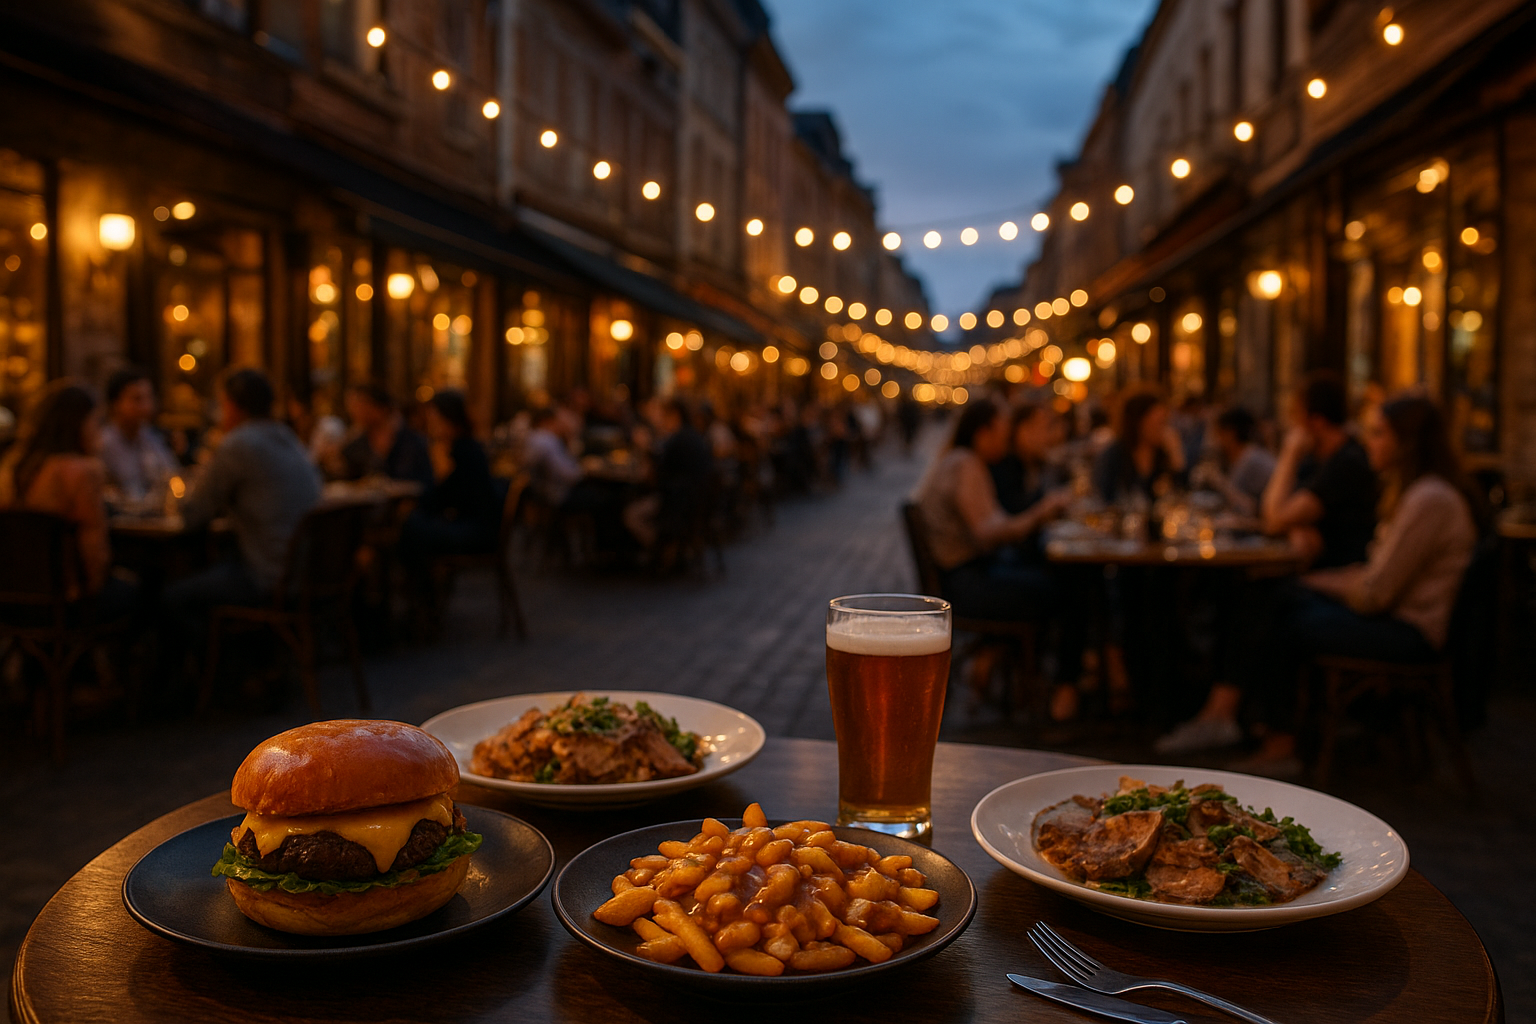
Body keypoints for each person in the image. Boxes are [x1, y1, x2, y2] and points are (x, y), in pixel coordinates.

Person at [1162, 396, 1479, 772]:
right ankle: (1234, 717)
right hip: (1395, 618)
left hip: (1410, 632)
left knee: (1278, 614)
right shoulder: (1417, 493)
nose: (1369, 442)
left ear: (1406, 442)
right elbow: (1373, 577)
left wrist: (1313, 582)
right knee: (1266, 596)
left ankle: (1271, 740)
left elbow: (1375, 593)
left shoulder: (1429, 499)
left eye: (1378, 434)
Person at [912, 398, 1078, 704]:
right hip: (964, 583)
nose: (1006, 439)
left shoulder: (963, 461)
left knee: (1051, 578)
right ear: (982, 433)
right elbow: (987, 533)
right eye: (1002, 433)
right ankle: (1056, 687)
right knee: (1065, 591)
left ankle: (1003, 660)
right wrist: (1040, 513)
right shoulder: (965, 464)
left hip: (966, 575)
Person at [0, 381, 117, 600]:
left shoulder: (10, 468)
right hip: (67, 600)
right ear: (79, 423)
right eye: (96, 421)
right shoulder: (82, 472)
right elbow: (95, 551)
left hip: (11, 599)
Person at [1262, 371, 1376, 568]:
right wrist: (1295, 530)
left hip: (1337, 578)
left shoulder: (1347, 463)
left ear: (1317, 421)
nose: (1292, 425)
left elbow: (1275, 519)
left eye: (1296, 415)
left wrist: (1289, 453)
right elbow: (1273, 517)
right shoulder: (1314, 461)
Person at [400, 390, 499, 566]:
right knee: (411, 524)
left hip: (476, 531)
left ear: (450, 419)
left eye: (435, 418)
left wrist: (440, 472)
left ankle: (423, 590)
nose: (430, 424)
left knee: (410, 528)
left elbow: (444, 498)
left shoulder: (463, 451)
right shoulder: (459, 448)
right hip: (471, 524)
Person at [624, 399, 715, 552]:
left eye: (663, 415)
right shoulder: (691, 435)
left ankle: (661, 550)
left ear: (674, 415)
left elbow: (657, 474)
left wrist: (645, 448)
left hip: (677, 503)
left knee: (630, 514)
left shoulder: (678, 439)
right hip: (692, 500)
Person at [98, 367, 179, 503]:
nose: (146, 407)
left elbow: (172, 475)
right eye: (137, 399)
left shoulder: (151, 437)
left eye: (149, 398)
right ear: (115, 404)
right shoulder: (103, 444)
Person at [1092, 388, 1187, 504]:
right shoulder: (1113, 455)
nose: (1165, 429)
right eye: (1159, 423)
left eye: (1166, 422)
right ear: (1138, 422)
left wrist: (1177, 456)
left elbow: (1183, 495)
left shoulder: (1164, 454)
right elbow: (1104, 499)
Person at [338, 383, 433, 488]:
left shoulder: (413, 443)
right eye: (351, 406)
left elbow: (426, 485)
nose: (354, 411)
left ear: (380, 407)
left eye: (360, 405)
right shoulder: (356, 445)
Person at [1200, 406, 1276, 516]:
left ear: (1230, 433)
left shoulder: (1254, 460)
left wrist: (1219, 482)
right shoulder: (1240, 455)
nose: (1214, 438)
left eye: (1217, 432)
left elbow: (1254, 510)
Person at [991, 402, 1061, 520]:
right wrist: (1051, 502)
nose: (1047, 436)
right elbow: (1014, 512)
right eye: (1042, 428)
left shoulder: (1035, 463)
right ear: (1022, 431)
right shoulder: (1004, 467)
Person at [523, 405, 584, 507]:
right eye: (558, 421)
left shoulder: (532, 437)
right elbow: (567, 475)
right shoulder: (547, 440)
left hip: (539, 493)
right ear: (548, 421)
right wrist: (583, 470)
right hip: (557, 495)